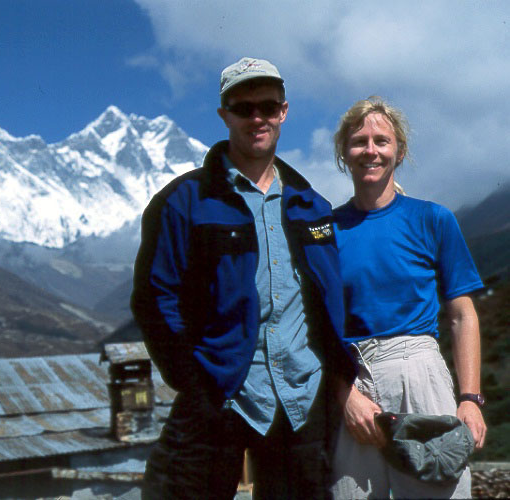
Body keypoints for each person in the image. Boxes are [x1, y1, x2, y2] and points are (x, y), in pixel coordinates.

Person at [131, 57, 356, 499]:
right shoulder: (183, 201)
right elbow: (155, 298)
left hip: (301, 398)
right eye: (243, 108)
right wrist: (192, 382)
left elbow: (327, 300)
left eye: (268, 107)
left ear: (283, 112)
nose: (257, 118)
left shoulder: (312, 206)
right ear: (224, 115)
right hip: (218, 395)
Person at [329, 96, 487, 499]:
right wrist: (344, 395)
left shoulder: (433, 219)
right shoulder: (325, 231)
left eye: (381, 141)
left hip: (419, 369)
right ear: (343, 153)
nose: (370, 150)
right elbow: (314, 324)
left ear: (399, 151)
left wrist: (469, 399)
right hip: (353, 379)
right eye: (359, 141)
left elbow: (462, 315)